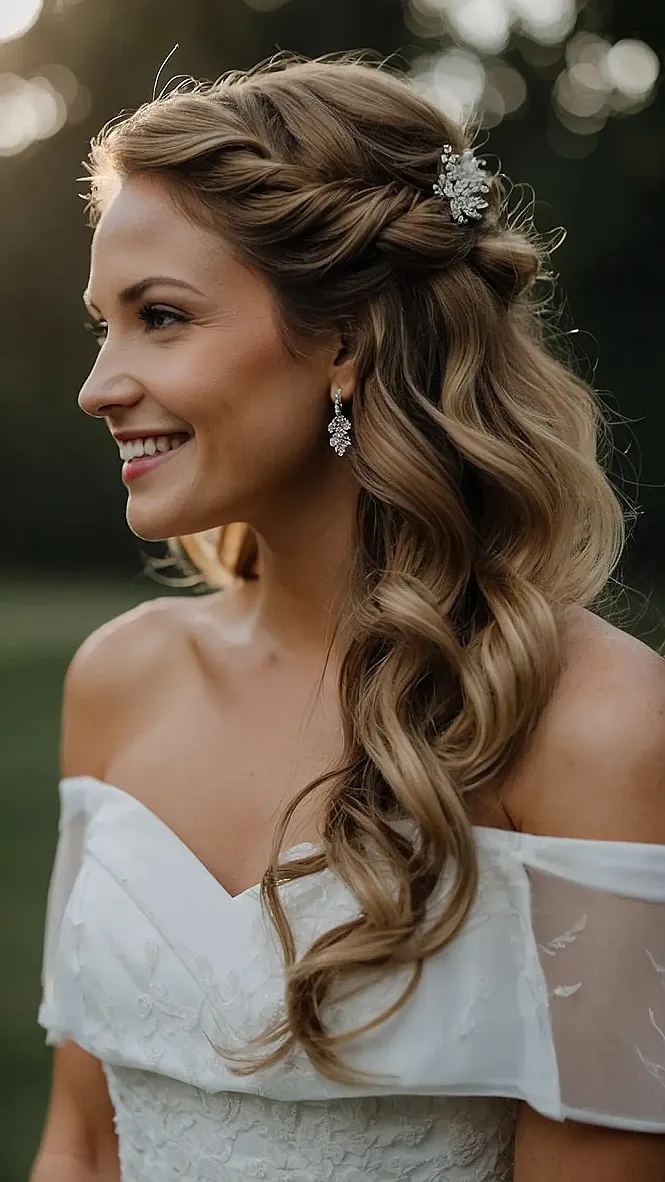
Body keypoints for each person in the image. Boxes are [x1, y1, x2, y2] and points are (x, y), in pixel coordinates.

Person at [30, 52, 665, 1182]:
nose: (99, 385)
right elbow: (80, 1142)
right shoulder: (119, 680)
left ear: (348, 338)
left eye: (160, 317)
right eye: (102, 326)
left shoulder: (593, 724)